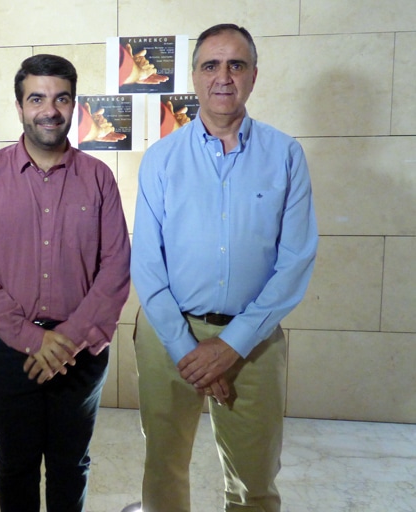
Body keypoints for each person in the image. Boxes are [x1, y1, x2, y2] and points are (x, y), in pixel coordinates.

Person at [131, 24, 318, 512]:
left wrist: (231, 345)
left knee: (253, 480)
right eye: (211, 65)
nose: (223, 76)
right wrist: (186, 347)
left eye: (236, 64)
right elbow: (148, 264)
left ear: (254, 75)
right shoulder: (161, 159)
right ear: (193, 76)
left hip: (252, 340)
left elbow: (295, 260)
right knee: (164, 469)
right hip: (166, 334)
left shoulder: (285, 156)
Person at [0, 54, 130, 512]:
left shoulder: (99, 179)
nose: (49, 109)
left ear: (74, 105)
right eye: (37, 98)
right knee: (16, 463)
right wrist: (33, 339)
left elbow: (115, 269)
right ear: (19, 106)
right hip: (5, 350)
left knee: (72, 464)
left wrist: (65, 341)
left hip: (81, 353)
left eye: (61, 98)